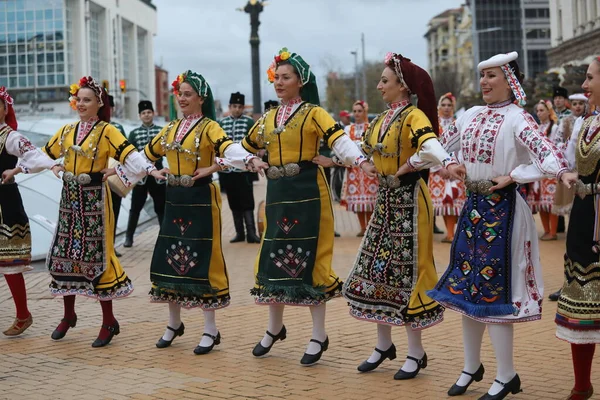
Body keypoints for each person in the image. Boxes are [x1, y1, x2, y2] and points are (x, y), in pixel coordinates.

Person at [427, 52, 568, 399]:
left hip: (503, 211)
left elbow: (547, 153)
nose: (485, 83)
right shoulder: (472, 114)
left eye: (492, 76)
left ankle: (507, 374)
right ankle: (471, 366)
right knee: (464, 289)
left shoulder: (519, 119)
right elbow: (439, 145)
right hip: (472, 209)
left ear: (509, 79)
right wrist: (446, 163)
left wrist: (519, 175)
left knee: (495, 292)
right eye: (483, 76)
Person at [242, 48, 376, 366]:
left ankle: (318, 334)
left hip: (307, 191)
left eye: (285, 77)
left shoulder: (314, 113)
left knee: (311, 260)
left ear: (300, 81)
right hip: (277, 192)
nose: (279, 82)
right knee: (273, 257)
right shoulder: (269, 118)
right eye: (276, 77)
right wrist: (249, 159)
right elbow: (245, 145)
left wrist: (360, 161)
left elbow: (339, 140)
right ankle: (274, 328)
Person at [341, 52, 463, 380]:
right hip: (386, 199)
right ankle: (383, 345)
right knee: (377, 270)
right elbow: (362, 149)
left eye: (384, 81)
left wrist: (445, 163)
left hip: (410, 198)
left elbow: (430, 145)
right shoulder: (382, 120)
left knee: (409, 273)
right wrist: (358, 163)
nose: (379, 86)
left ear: (402, 86)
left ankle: (415, 352)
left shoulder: (414, 117)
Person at [143, 70, 266, 355]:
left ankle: (211, 328)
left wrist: (247, 160)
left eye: (188, 94)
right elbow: (145, 153)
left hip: (200, 197)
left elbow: (227, 149)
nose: (182, 99)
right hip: (174, 198)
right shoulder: (171, 128)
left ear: (201, 98)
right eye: (179, 94)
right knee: (170, 258)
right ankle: (174, 323)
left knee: (202, 260)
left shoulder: (209, 126)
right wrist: (150, 170)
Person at [42, 76, 165, 347]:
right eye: (78, 99)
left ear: (100, 103)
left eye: (87, 100)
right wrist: (50, 166)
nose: (81, 104)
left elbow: (131, 156)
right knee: (65, 254)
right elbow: (45, 154)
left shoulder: (107, 131)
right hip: (69, 201)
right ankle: (68, 314)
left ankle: (109, 320)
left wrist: (149, 169)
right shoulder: (66, 131)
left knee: (98, 257)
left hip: (94, 201)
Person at [555, 56, 600, 400]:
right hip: (586, 217)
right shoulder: (585, 124)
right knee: (583, 299)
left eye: (589, 78)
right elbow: (569, 161)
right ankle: (581, 385)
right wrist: (566, 174)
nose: (583, 86)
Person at [0, 87, 54, 336]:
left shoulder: (10, 137)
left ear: (5, 109)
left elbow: (36, 156)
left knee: (9, 263)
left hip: (6, 205)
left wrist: (16, 171)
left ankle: (23, 314)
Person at [218, 92, 260, 244]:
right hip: (228, 170)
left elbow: (254, 143)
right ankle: (239, 233)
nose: (237, 109)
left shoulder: (249, 122)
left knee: (247, 201)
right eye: (234, 106)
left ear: (243, 108)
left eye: (239, 107)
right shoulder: (222, 124)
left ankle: (252, 233)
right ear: (229, 107)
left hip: (244, 170)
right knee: (233, 201)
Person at [123, 100, 166, 248]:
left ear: (153, 113)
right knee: (135, 207)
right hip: (140, 176)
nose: (146, 115)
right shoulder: (134, 134)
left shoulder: (162, 131)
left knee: (161, 207)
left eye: (149, 112)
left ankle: (165, 236)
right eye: (143, 113)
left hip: (158, 175)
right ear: (140, 116)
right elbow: (129, 155)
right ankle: (129, 237)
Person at [428, 92, 466, 243]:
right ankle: (450, 233)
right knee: (445, 203)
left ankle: (456, 232)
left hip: (456, 168)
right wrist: (440, 168)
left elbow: (463, 147)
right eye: (443, 105)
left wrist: (455, 166)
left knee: (457, 202)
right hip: (439, 170)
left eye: (449, 105)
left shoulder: (459, 124)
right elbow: (430, 147)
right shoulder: (433, 125)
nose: (446, 108)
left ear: (453, 107)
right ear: (438, 107)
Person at [338, 100, 379, 237]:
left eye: (359, 111)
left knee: (371, 198)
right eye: (354, 111)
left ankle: (371, 226)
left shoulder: (372, 127)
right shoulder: (348, 129)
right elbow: (344, 148)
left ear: (365, 112)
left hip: (370, 167)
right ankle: (363, 227)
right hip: (354, 170)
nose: (356, 114)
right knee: (358, 199)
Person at [535, 100, 560, 241]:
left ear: (549, 112)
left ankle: (553, 231)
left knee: (551, 202)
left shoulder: (555, 128)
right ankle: (546, 230)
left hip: (550, 169)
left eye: (542, 110)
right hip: (539, 169)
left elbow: (555, 147)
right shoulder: (538, 127)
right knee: (541, 202)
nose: (539, 113)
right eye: (538, 111)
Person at [107, 95, 127, 257]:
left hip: (114, 175)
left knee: (114, 212)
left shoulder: (118, 128)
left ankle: (110, 246)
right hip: (95, 177)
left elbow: (125, 152)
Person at [554, 86, 572, 235]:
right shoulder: (551, 114)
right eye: (556, 98)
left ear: (565, 100)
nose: (558, 100)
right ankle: (558, 225)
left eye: (560, 98)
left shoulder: (570, 116)